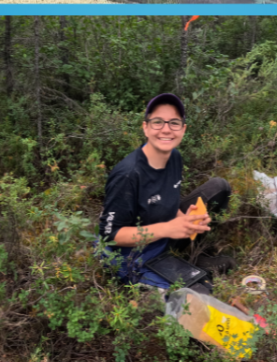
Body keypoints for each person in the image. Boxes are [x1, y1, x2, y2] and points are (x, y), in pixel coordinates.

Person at [99, 93, 232, 287]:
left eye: (174, 123)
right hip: (135, 254)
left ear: (183, 129)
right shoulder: (128, 175)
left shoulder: (174, 158)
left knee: (219, 187)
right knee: (199, 292)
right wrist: (168, 228)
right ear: (145, 127)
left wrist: (185, 219)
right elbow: (110, 236)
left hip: (164, 235)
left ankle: (195, 255)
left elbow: (166, 201)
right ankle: (180, 274)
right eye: (158, 122)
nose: (166, 129)